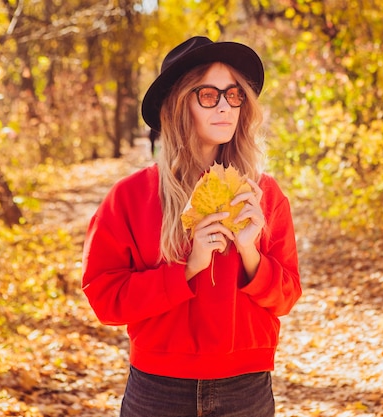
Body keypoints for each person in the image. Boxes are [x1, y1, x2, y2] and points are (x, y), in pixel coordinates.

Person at [81, 36, 302, 417]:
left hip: (245, 388)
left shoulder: (262, 193)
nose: (225, 107)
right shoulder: (130, 196)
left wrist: (250, 252)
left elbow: (286, 297)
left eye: (234, 95)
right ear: (180, 105)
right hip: (158, 389)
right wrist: (187, 267)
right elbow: (105, 299)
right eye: (208, 95)